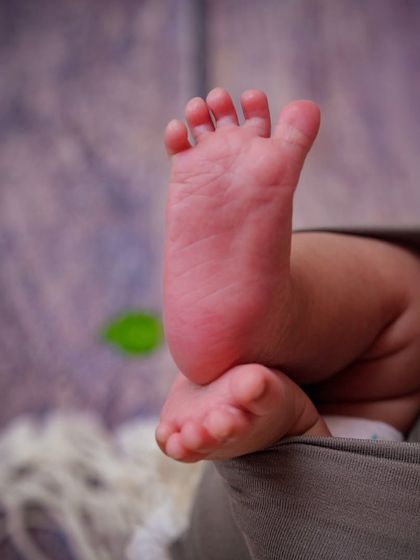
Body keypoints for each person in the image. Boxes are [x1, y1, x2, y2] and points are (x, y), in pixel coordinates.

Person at [155, 87, 420, 463]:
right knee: (407, 305)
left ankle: (282, 350)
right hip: (366, 472)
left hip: (348, 494)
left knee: (406, 295)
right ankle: (274, 338)